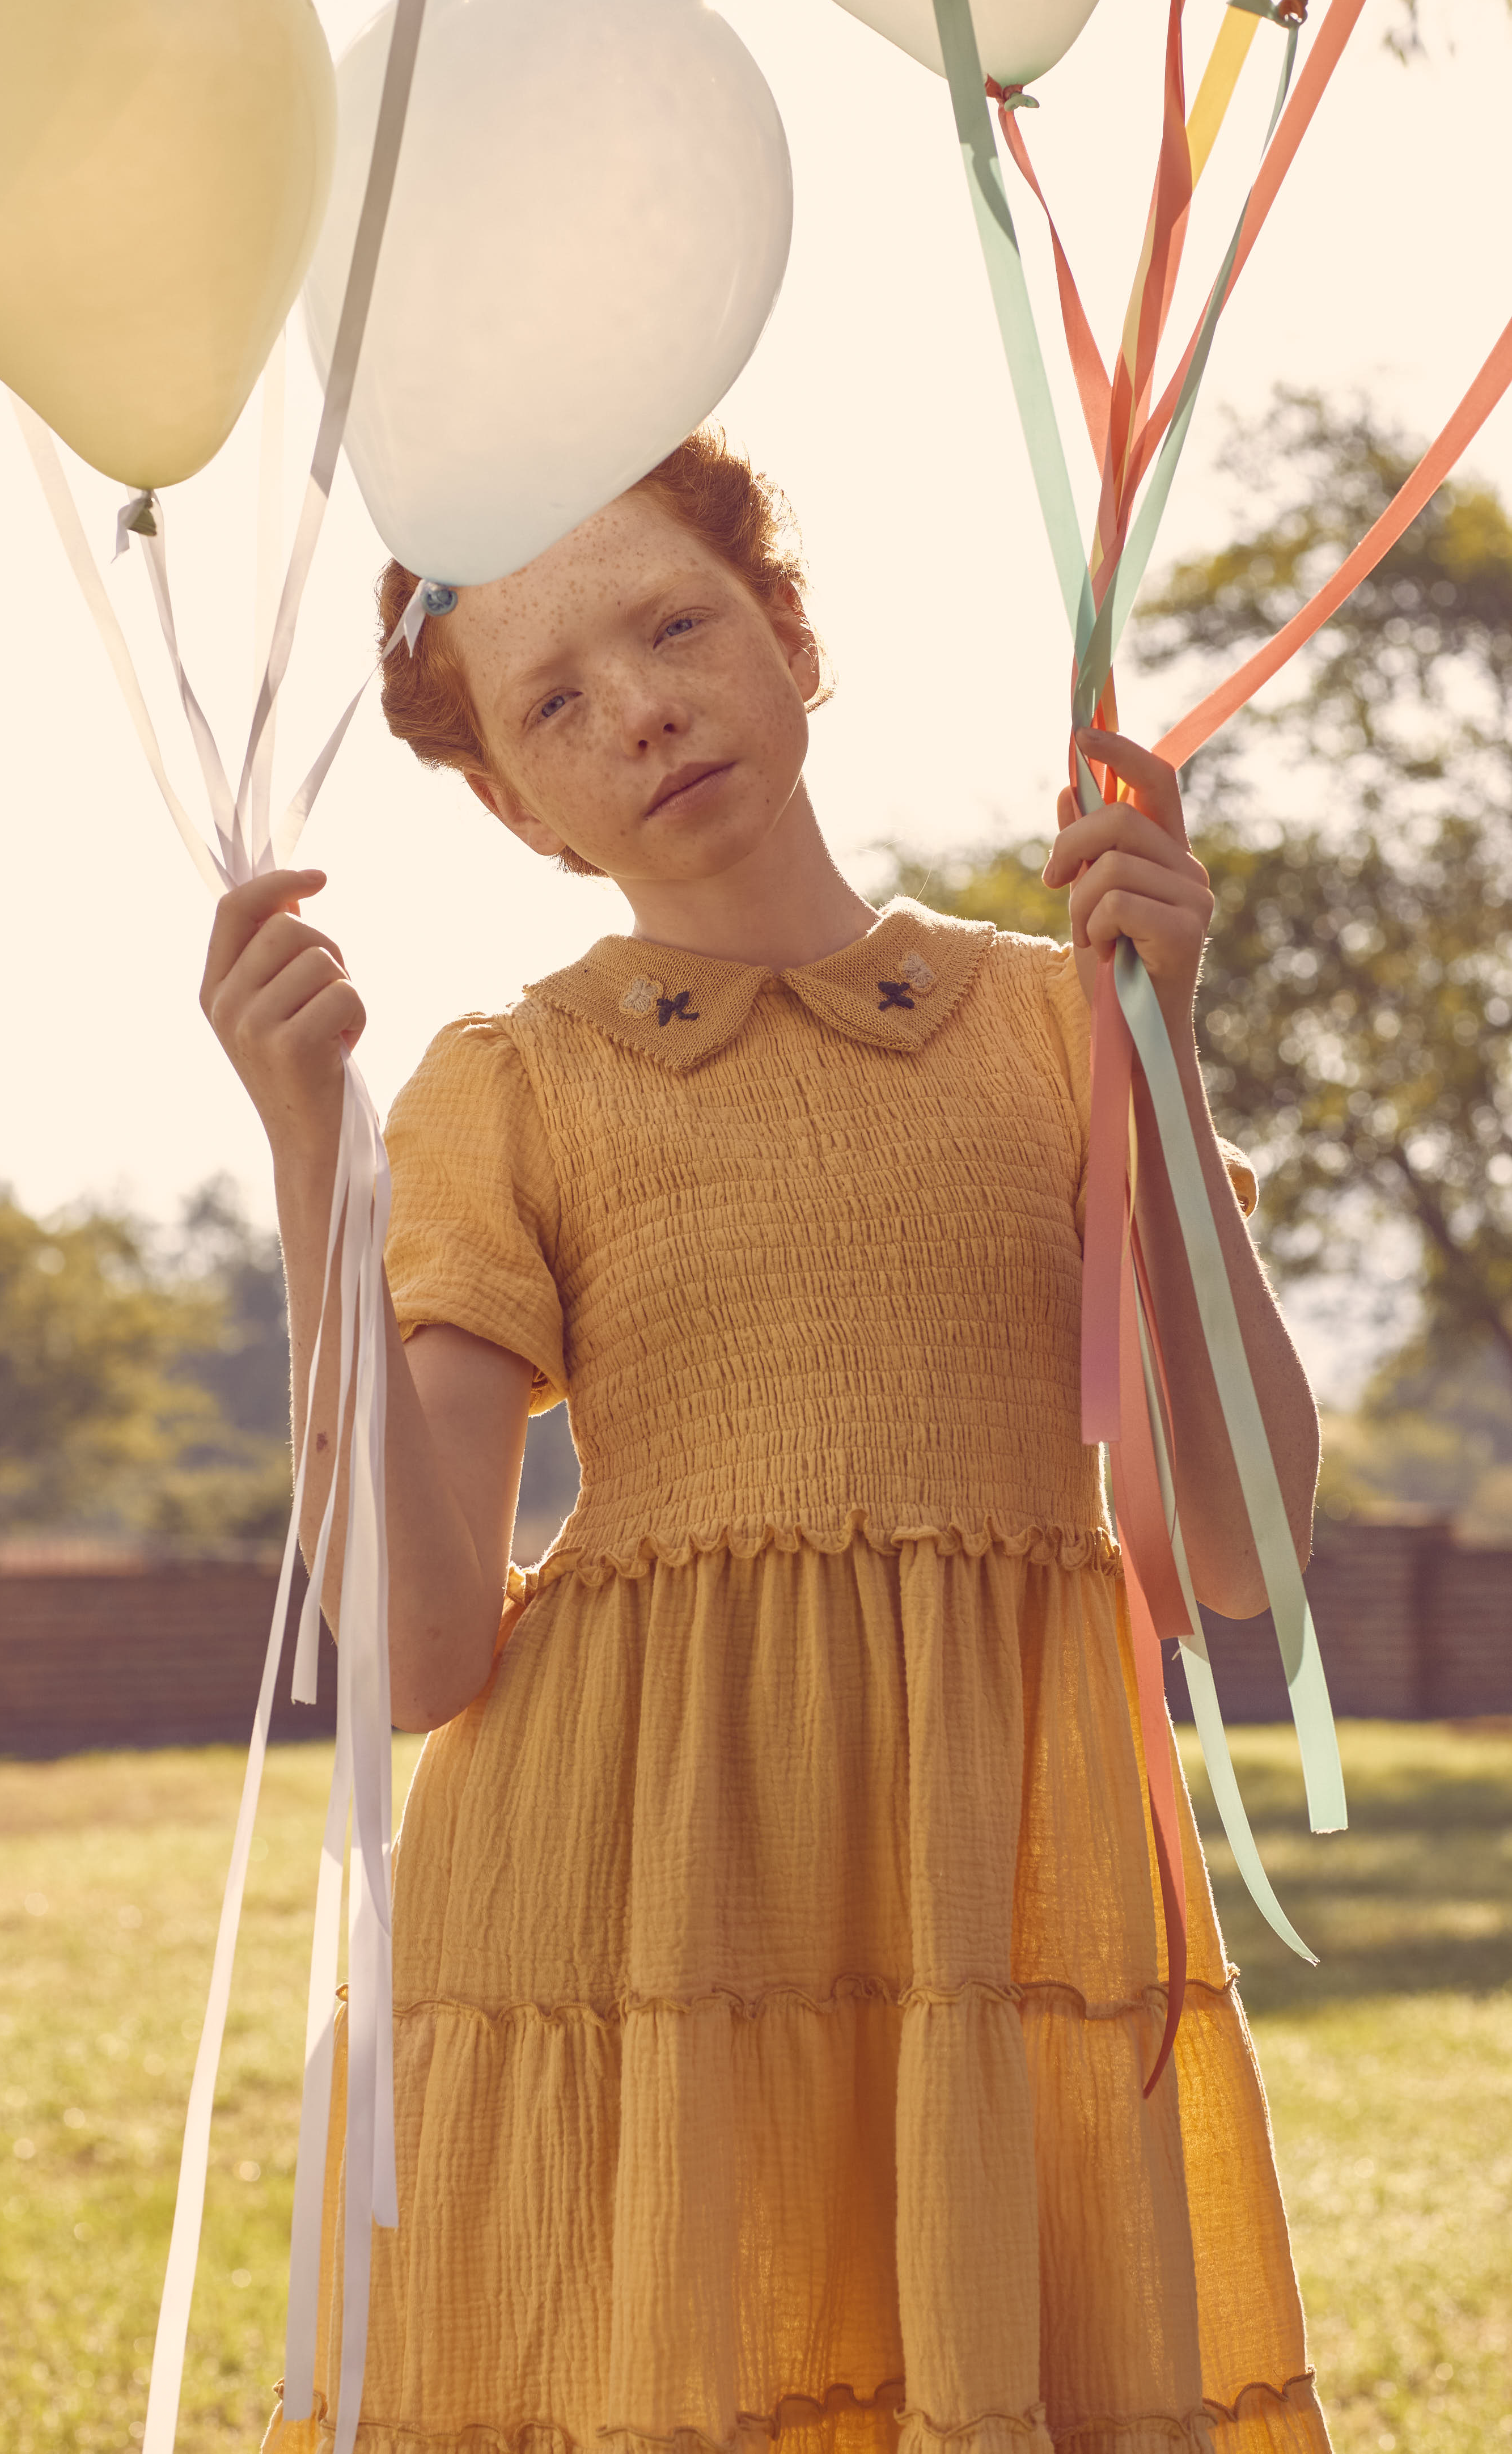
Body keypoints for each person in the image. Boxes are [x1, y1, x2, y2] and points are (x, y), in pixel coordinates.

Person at [201, 429, 1332, 2454]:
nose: (638, 703)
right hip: (642, 1917)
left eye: (676, 624)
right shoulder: (510, 1088)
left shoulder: (1056, 1017)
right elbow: (432, 1642)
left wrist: (1163, 1044)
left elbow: (1225, 1553)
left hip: (995, 1888)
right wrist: (316, 1162)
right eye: (553, 699)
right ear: (515, 804)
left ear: (788, 634)